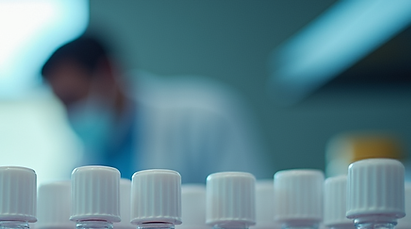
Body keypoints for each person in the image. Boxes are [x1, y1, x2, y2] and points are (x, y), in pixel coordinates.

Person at [41, 34, 269, 183]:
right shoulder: (87, 157)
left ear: (108, 72)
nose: (71, 114)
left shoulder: (205, 116)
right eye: (62, 103)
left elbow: (246, 211)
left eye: (73, 98)